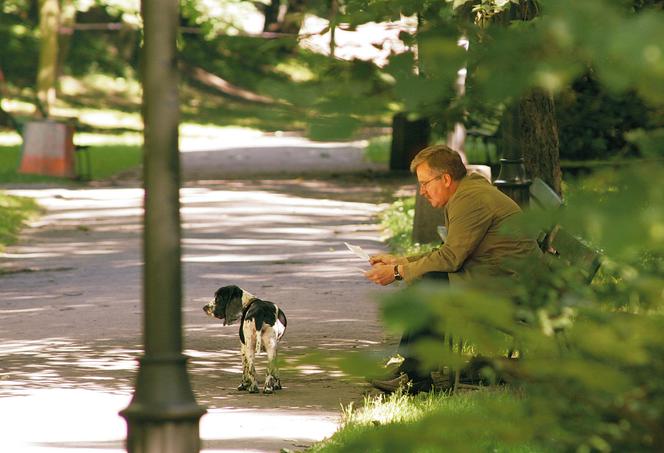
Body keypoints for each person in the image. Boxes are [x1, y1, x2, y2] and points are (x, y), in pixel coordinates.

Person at [365, 144, 539, 393]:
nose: (422, 191)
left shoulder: (471, 200)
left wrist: (397, 272)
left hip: (515, 294)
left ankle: (415, 375)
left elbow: (450, 258)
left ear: (445, 179)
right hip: (502, 280)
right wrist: (401, 262)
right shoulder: (467, 191)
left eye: (425, 183)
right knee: (431, 281)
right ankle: (412, 371)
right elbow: (451, 253)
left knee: (432, 284)